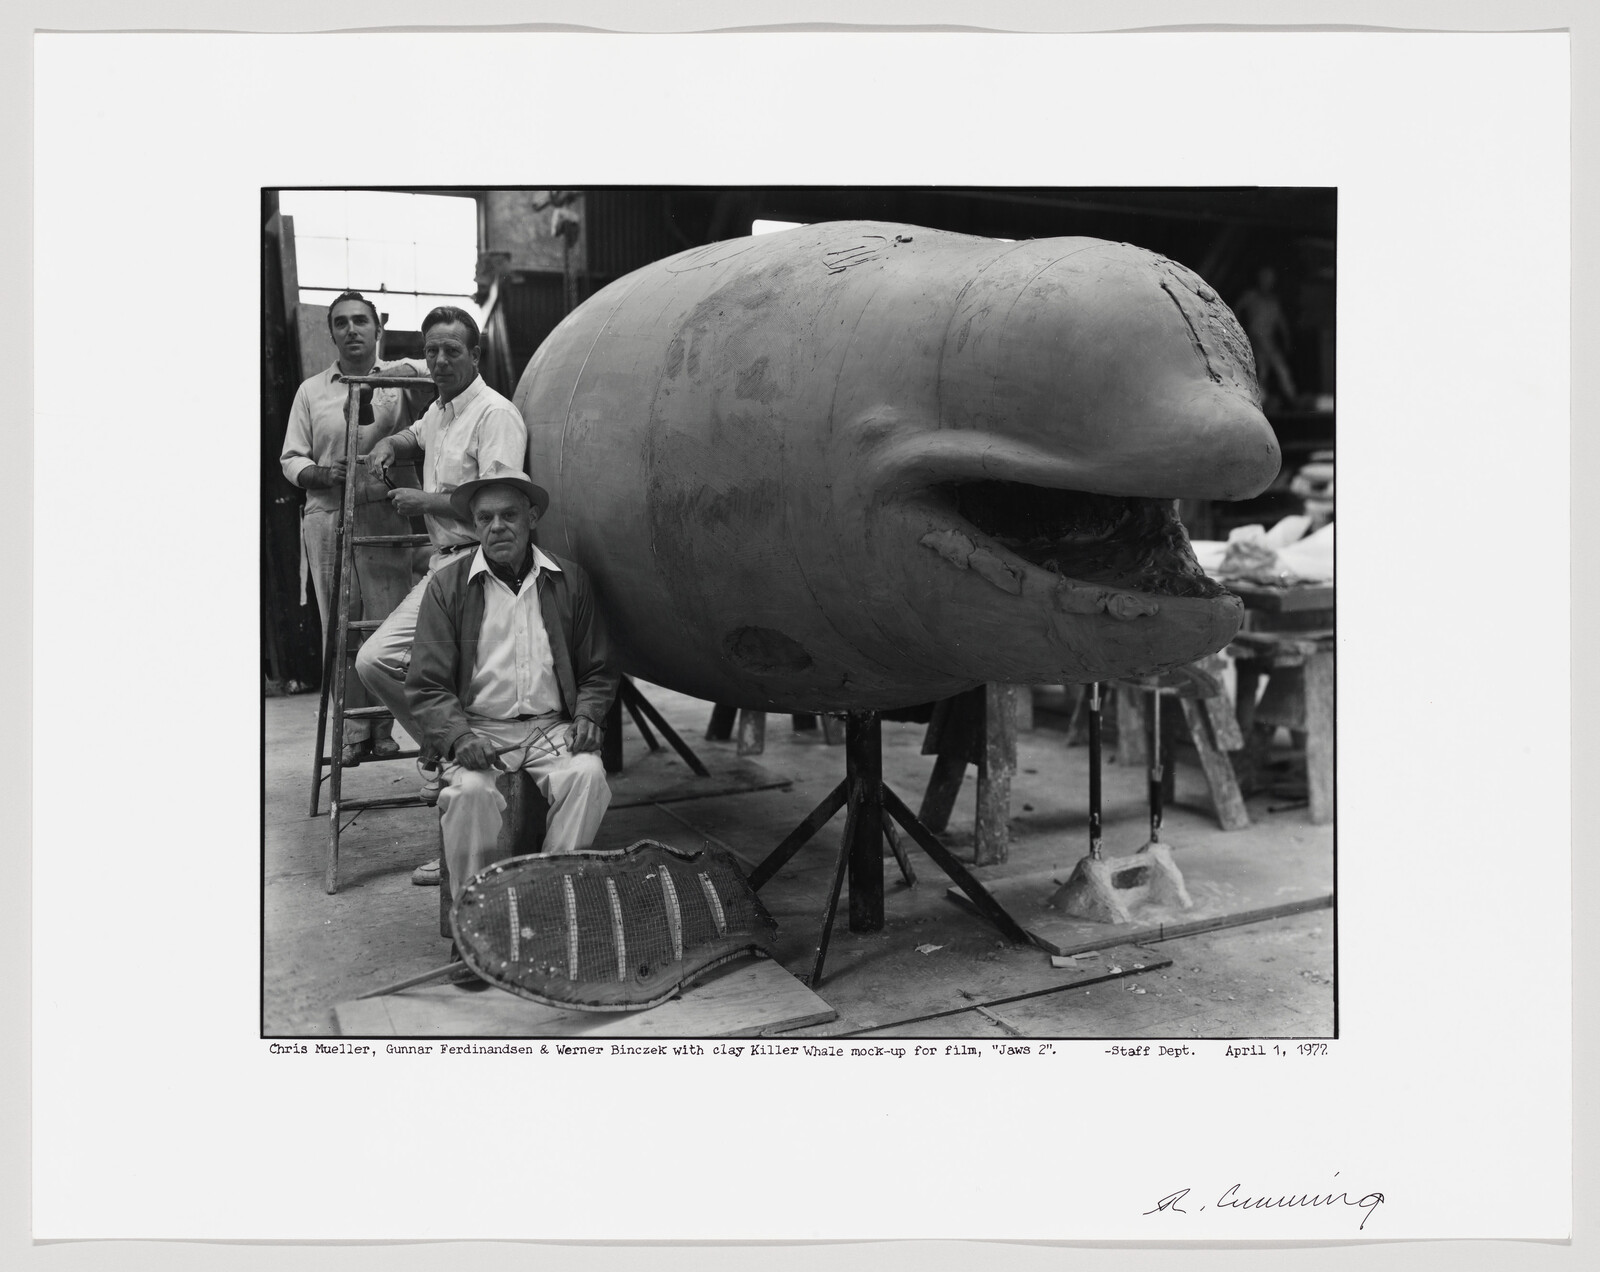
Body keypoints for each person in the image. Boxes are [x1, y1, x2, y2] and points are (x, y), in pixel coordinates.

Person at [357, 305, 529, 885]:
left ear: (475, 355)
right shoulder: (441, 409)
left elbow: (500, 504)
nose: (439, 361)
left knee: (450, 692)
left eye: (452, 350)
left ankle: (467, 848)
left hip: (483, 569)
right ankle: (445, 748)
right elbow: (420, 433)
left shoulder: (495, 414)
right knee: (381, 664)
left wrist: (423, 503)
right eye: (431, 350)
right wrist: (392, 442)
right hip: (444, 567)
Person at [406, 462, 617, 907]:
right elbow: (427, 684)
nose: (497, 527)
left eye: (509, 515)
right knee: (469, 793)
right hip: (479, 728)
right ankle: (474, 918)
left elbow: (597, 670)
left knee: (588, 776)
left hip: (551, 728)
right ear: (474, 525)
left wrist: (587, 715)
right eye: (485, 518)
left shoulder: (569, 580)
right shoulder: (447, 587)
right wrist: (458, 736)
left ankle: (548, 901)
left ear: (532, 518)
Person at [279, 291, 421, 765]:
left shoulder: (396, 379)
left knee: (385, 623)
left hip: (384, 511)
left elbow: (434, 377)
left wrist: (397, 373)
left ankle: (383, 727)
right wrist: (321, 474)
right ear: (332, 334)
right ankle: (352, 731)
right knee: (340, 625)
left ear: (378, 328)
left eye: (360, 320)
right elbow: (290, 458)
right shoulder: (311, 390)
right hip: (328, 515)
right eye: (341, 323)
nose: (351, 329)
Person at [1233, 265, 1297, 411]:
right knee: (1261, 372)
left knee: (1278, 371)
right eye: (1264, 278)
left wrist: (1286, 338)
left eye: (1270, 279)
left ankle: (1292, 401)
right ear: (1259, 279)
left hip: (1269, 342)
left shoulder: (1273, 301)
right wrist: (1236, 327)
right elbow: (1238, 308)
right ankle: (1258, 405)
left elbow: (1281, 321)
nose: (1267, 281)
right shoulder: (1250, 296)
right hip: (1254, 340)